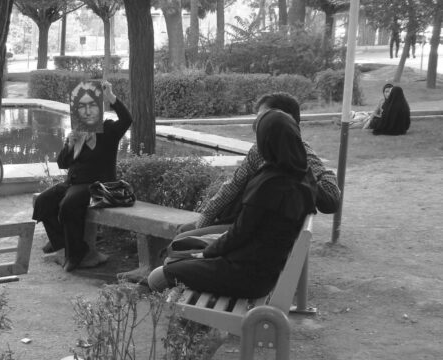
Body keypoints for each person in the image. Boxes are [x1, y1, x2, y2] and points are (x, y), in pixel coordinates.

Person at [148, 109, 317, 299]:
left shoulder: (270, 183)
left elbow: (240, 234)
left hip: (244, 274)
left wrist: (206, 254)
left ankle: (194, 324)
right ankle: (195, 322)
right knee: (180, 253)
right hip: (259, 268)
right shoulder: (303, 176)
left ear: (265, 142)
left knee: (158, 277)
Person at [183, 92, 339, 237]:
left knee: (181, 238)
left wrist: (298, 170)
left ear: (285, 121)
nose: (257, 125)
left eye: (264, 118)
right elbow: (232, 185)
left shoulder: (301, 155)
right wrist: (206, 217)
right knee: (184, 230)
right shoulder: (260, 151)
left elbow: (331, 198)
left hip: (249, 231)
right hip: (242, 224)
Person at [33, 80, 132, 272]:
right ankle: (63, 244)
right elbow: (62, 163)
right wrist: (70, 144)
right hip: (73, 183)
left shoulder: (109, 130)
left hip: (98, 185)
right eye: (82, 107)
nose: (87, 111)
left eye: (92, 105)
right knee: (43, 201)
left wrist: (111, 97)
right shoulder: (77, 134)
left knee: (68, 204)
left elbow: (127, 120)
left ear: (99, 108)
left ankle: (77, 254)